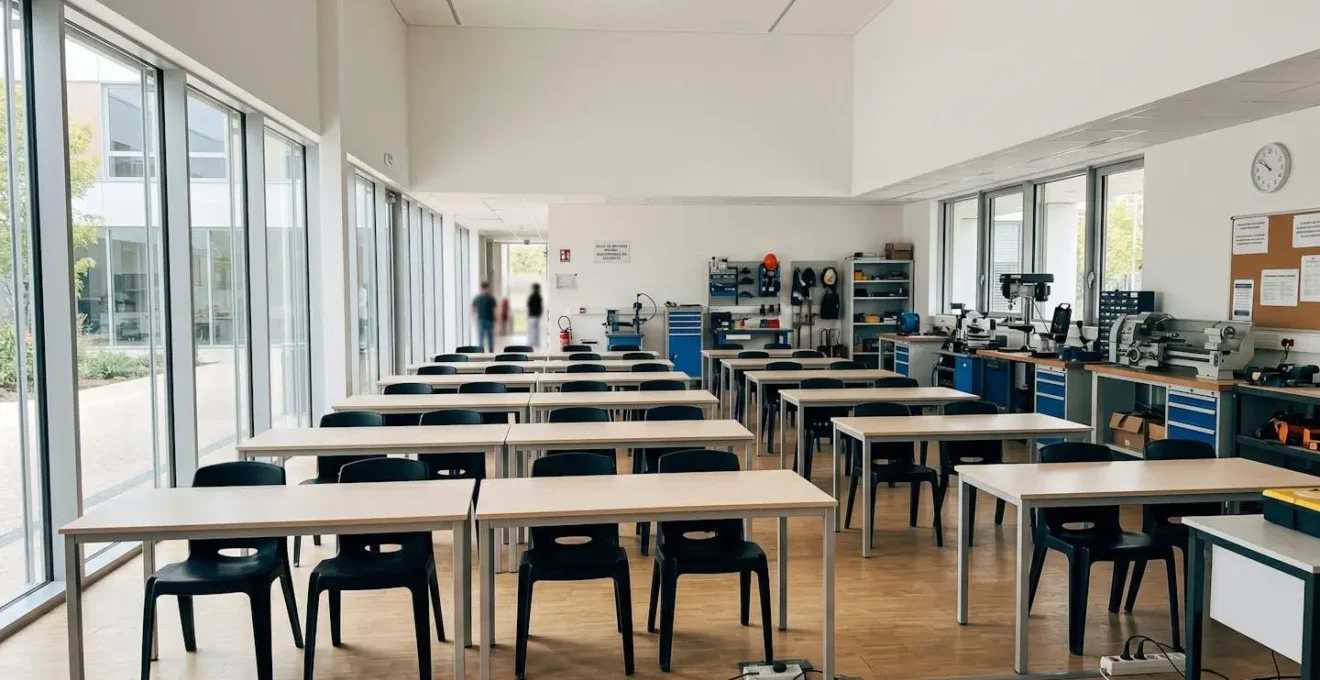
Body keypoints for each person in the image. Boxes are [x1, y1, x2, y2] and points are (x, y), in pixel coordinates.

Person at [472, 282, 497, 352]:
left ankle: (491, 353)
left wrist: (497, 320)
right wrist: (474, 318)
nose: (485, 290)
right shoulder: (478, 298)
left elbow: (495, 310)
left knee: (490, 339)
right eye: (484, 289)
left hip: (489, 321)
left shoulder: (491, 298)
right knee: (481, 340)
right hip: (481, 321)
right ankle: (482, 353)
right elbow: (473, 309)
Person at [526, 283, 544, 348]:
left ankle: (531, 343)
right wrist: (540, 314)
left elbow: (528, 306)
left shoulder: (531, 296)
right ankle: (537, 343)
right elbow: (541, 307)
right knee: (536, 331)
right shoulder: (539, 297)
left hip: (532, 316)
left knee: (531, 330)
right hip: (537, 316)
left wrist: (528, 316)